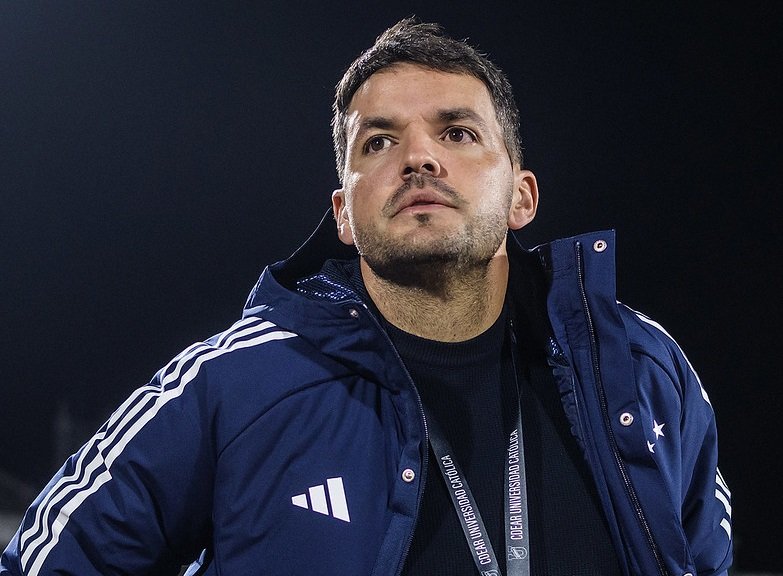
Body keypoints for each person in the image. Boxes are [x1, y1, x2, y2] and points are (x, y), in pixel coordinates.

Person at [2, 18, 732, 576]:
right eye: (378, 142)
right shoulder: (233, 384)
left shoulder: (640, 368)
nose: (419, 157)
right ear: (343, 214)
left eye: (457, 132)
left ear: (521, 196)